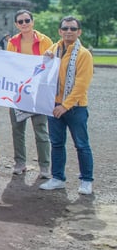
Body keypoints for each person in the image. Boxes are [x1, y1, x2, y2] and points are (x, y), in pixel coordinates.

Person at [40, 16, 94, 195]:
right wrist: (45, 59)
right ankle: (57, 178)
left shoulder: (83, 54)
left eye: (72, 28)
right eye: (65, 28)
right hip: (54, 104)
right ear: (60, 31)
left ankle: (86, 180)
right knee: (56, 143)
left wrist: (65, 105)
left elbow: (81, 85)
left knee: (81, 144)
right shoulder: (53, 50)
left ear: (79, 32)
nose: (68, 31)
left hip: (76, 107)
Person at [6, 9, 53, 178]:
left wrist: (51, 56)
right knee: (17, 130)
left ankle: (45, 166)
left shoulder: (45, 41)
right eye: (20, 21)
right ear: (16, 24)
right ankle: (20, 162)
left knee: (41, 130)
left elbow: (51, 64)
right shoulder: (12, 42)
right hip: (18, 91)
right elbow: (9, 65)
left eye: (27, 20)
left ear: (32, 22)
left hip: (38, 92)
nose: (24, 24)